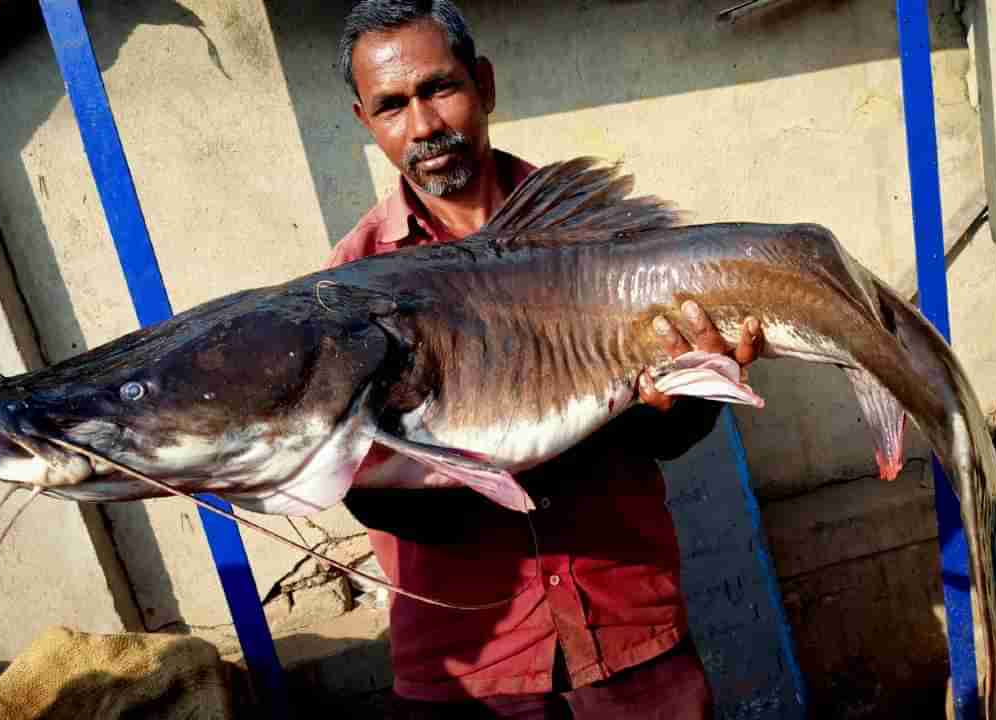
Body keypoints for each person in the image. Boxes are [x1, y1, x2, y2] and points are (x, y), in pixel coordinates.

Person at [325, 2, 764, 717]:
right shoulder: (351, 282)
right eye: (393, 105)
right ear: (364, 121)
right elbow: (372, 492)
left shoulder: (594, 228)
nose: (425, 126)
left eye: (440, 88)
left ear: (485, 84)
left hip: (626, 627)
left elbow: (673, 439)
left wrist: (681, 396)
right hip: (469, 661)